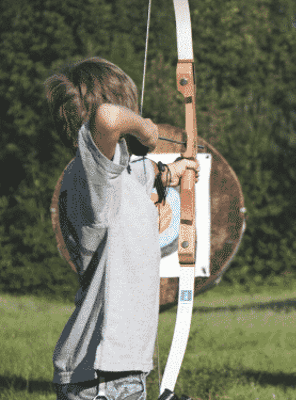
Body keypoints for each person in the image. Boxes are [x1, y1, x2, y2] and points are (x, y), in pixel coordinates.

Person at [45, 57, 199, 400]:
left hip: (115, 373)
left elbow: (143, 174)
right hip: (102, 376)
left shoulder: (119, 177)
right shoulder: (94, 177)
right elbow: (108, 118)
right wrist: (145, 127)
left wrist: (172, 173)